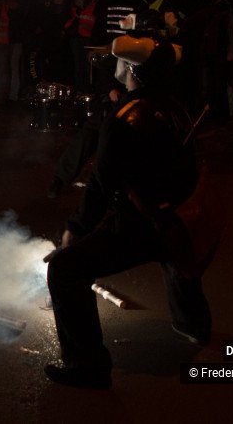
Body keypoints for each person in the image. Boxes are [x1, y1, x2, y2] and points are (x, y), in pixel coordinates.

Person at [43, 32, 212, 389]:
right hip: (178, 216)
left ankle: (86, 365)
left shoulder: (126, 118)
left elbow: (103, 182)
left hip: (145, 220)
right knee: (174, 253)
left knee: (65, 269)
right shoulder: (174, 104)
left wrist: (77, 228)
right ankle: (193, 324)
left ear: (132, 71)